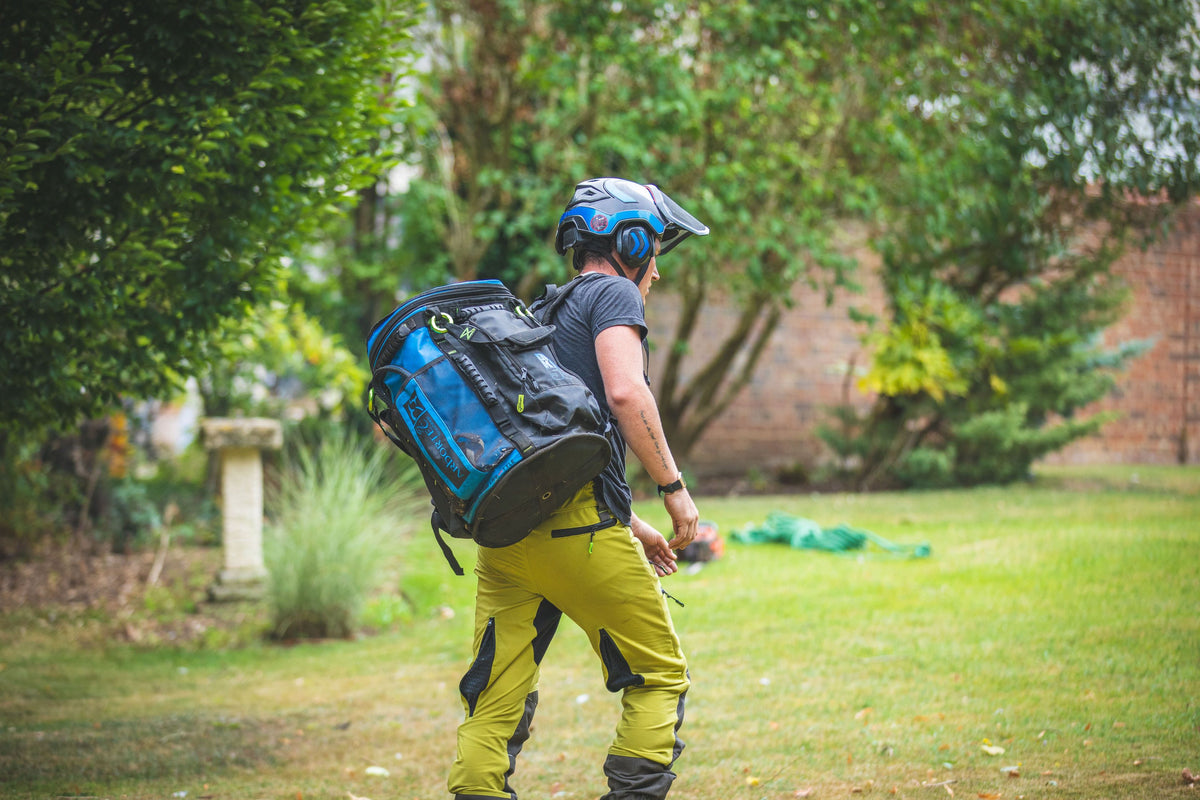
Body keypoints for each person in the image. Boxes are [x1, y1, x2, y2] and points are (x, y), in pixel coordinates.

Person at [447, 177, 710, 800]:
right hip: (579, 533)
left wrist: (635, 526)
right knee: (659, 676)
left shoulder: (542, 313)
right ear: (632, 239)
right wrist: (673, 490)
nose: (657, 272)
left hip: (507, 534)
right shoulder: (615, 293)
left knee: (495, 698)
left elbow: (555, 444)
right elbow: (623, 392)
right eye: (657, 252)